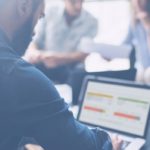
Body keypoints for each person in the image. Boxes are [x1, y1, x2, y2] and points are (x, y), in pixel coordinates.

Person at [0, 0, 122, 150]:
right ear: (23, 7)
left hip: (70, 73)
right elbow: (85, 146)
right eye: (38, 17)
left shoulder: (91, 21)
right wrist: (109, 144)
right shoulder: (19, 77)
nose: (34, 32)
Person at [23, 0, 98, 83]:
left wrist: (58, 58)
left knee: (79, 75)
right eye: (73, 2)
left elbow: (83, 53)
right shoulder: (49, 12)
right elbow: (35, 41)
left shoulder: (92, 21)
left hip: (71, 67)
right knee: (27, 71)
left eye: (81, 1)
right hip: (45, 63)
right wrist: (34, 53)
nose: (78, 6)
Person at [124, 0, 150, 83]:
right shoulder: (135, 23)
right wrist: (110, 54)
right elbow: (125, 44)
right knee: (142, 73)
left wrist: (147, 25)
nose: (137, 3)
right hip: (142, 69)